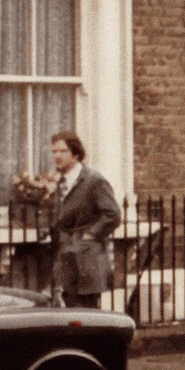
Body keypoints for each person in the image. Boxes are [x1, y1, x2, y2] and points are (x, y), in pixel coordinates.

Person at [43, 132, 118, 309]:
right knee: (70, 308)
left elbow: (113, 214)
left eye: (62, 151)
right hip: (66, 254)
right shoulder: (61, 180)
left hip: (86, 257)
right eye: (54, 151)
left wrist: (89, 236)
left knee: (87, 311)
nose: (57, 156)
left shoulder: (93, 180)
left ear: (75, 153)